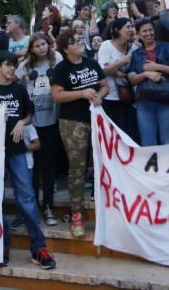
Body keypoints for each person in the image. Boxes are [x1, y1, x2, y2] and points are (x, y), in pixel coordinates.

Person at [0, 51, 56, 270]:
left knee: (27, 196)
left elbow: (29, 114)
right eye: (7, 65)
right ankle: (1, 245)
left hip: (17, 150)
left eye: (13, 64)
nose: (12, 68)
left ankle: (38, 248)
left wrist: (22, 122)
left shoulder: (19, 89)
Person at [51, 28, 107, 239]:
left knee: (103, 161)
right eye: (74, 42)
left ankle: (105, 208)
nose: (80, 43)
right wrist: (81, 93)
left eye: (80, 40)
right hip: (72, 122)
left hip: (97, 118)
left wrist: (99, 96)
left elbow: (104, 86)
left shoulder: (92, 62)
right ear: (65, 48)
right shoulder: (61, 68)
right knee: (77, 167)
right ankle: (76, 213)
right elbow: (56, 96)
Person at [16, 33, 62, 226]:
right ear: (31, 49)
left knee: (48, 166)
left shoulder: (57, 59)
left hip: (52, 120)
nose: (41, 48)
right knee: (32, 168)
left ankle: (49, 206)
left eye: (44, 44)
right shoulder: (25, 66)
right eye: (37, 46)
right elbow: (16, 85)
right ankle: (30, 209)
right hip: (32, 123)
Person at [128, 17, 169, 146]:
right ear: (138, 34)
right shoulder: (136, 54)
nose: (148, 33)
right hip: (144, 103)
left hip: (167, 100)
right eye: (144, 31)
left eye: (151, 30)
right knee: (148, 142)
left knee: (168, 141)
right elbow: (132, 80)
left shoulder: (168, 47)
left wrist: (158, 67)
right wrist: (145, 74)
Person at [96, 18, 138, 140]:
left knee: (129, 133)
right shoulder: (106, 46)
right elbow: (102, 71)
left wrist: (119, 73)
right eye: (128, 27)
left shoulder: (134, 48)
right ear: (117, 30)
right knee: (114, 136)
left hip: (129, 97)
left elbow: (135, 71)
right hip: (110, 98)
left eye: (132, 27)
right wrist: (121, 62)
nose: (131, 30)